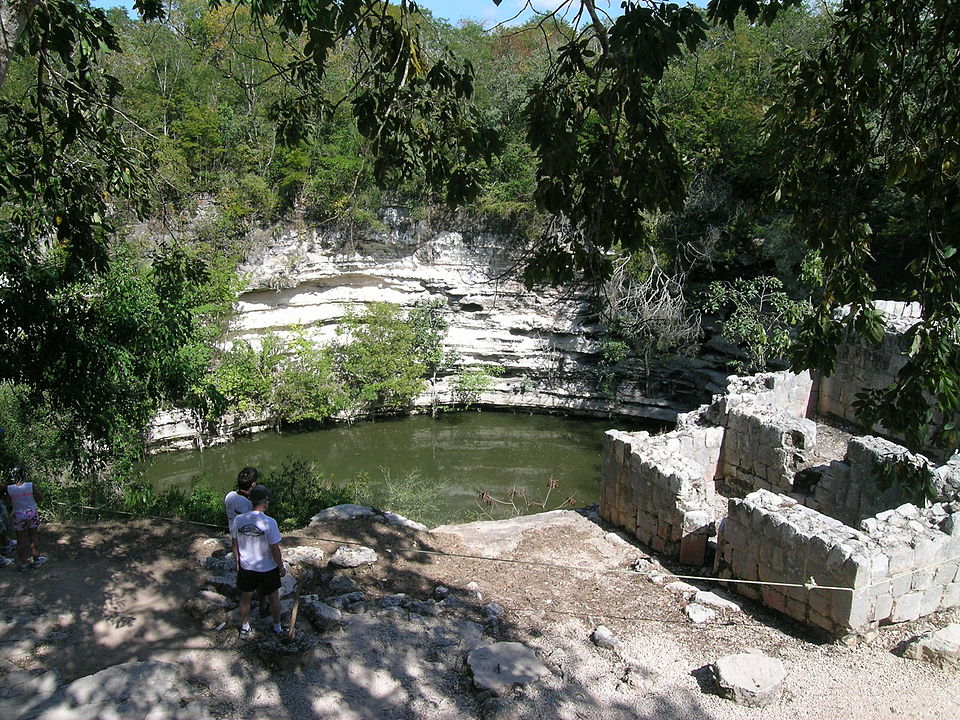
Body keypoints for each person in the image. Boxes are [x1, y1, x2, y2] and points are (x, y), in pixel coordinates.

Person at [231, 485, 286, 638]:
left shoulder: (239, 519)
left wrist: (238, 562)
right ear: (265, 502)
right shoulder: (270, 522)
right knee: (274, 597)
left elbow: (234, 544)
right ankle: (277, 628)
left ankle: (244, 627)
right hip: (267, 567)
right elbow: (275, 549)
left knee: (245, 597)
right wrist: (281, 566)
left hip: (246, 567)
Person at [6, 467, 47, 572]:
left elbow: (9, 503)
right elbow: (41, 497)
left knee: (20, 540)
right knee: (33, 537)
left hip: (18, 516)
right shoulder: (30, 486)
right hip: (31, 514)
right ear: (25, 475)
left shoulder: (10, 488)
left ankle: (23, 563)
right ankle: (36, 560)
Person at [224, 467, 258, 531]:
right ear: (253, 484)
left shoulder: (229, 495)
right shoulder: (248, 503)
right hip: (244, 536)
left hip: (232, 531)